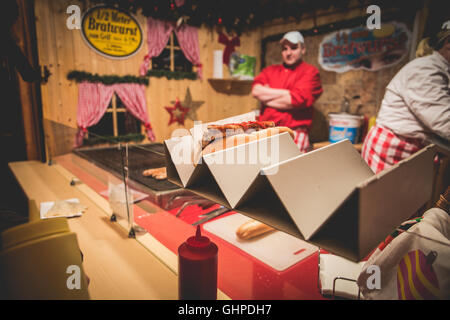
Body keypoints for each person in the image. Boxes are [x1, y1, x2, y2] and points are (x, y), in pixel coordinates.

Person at [362, 21, 450, 174]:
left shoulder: (440, 70)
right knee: (384, 197)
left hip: (411, 150)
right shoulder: (427, 69)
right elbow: (443, 120)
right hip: (394, 149)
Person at [252, 31, 323, 153]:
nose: (288, 53)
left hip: (295, 132)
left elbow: (296, 100)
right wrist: (287, 93)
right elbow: (256, 91)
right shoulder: (270, 71)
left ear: (303, 49)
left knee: (293, 171)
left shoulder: (310, 72)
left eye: (294, 48)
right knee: (263, 170)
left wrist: (267, 95)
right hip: (266, 131)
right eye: (285, 49)